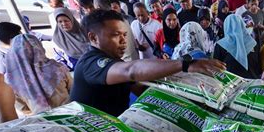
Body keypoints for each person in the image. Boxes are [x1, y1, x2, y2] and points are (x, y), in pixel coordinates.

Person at [70, 10, 225, 116]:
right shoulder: (90, 63)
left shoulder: (114, 62)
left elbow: (143, 90)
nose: (124, 41)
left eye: (125, 34)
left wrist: (193, 103)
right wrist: (185, 65)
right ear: (93, 38)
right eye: (116, 35)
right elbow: (131, 70)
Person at [6, 34, 72, 115]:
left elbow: (23, 108)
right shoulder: (57, 68)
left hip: (42, 121)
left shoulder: (12, 80)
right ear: (39, 48)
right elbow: (73, 89)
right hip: (69, 113)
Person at [214, 15, 260, 79]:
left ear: (226, 27)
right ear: (242, 25)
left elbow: (216, 69)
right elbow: (258, 67)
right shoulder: (253, 43)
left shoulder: (221, 45)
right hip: (252, 83)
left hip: (231, 84)